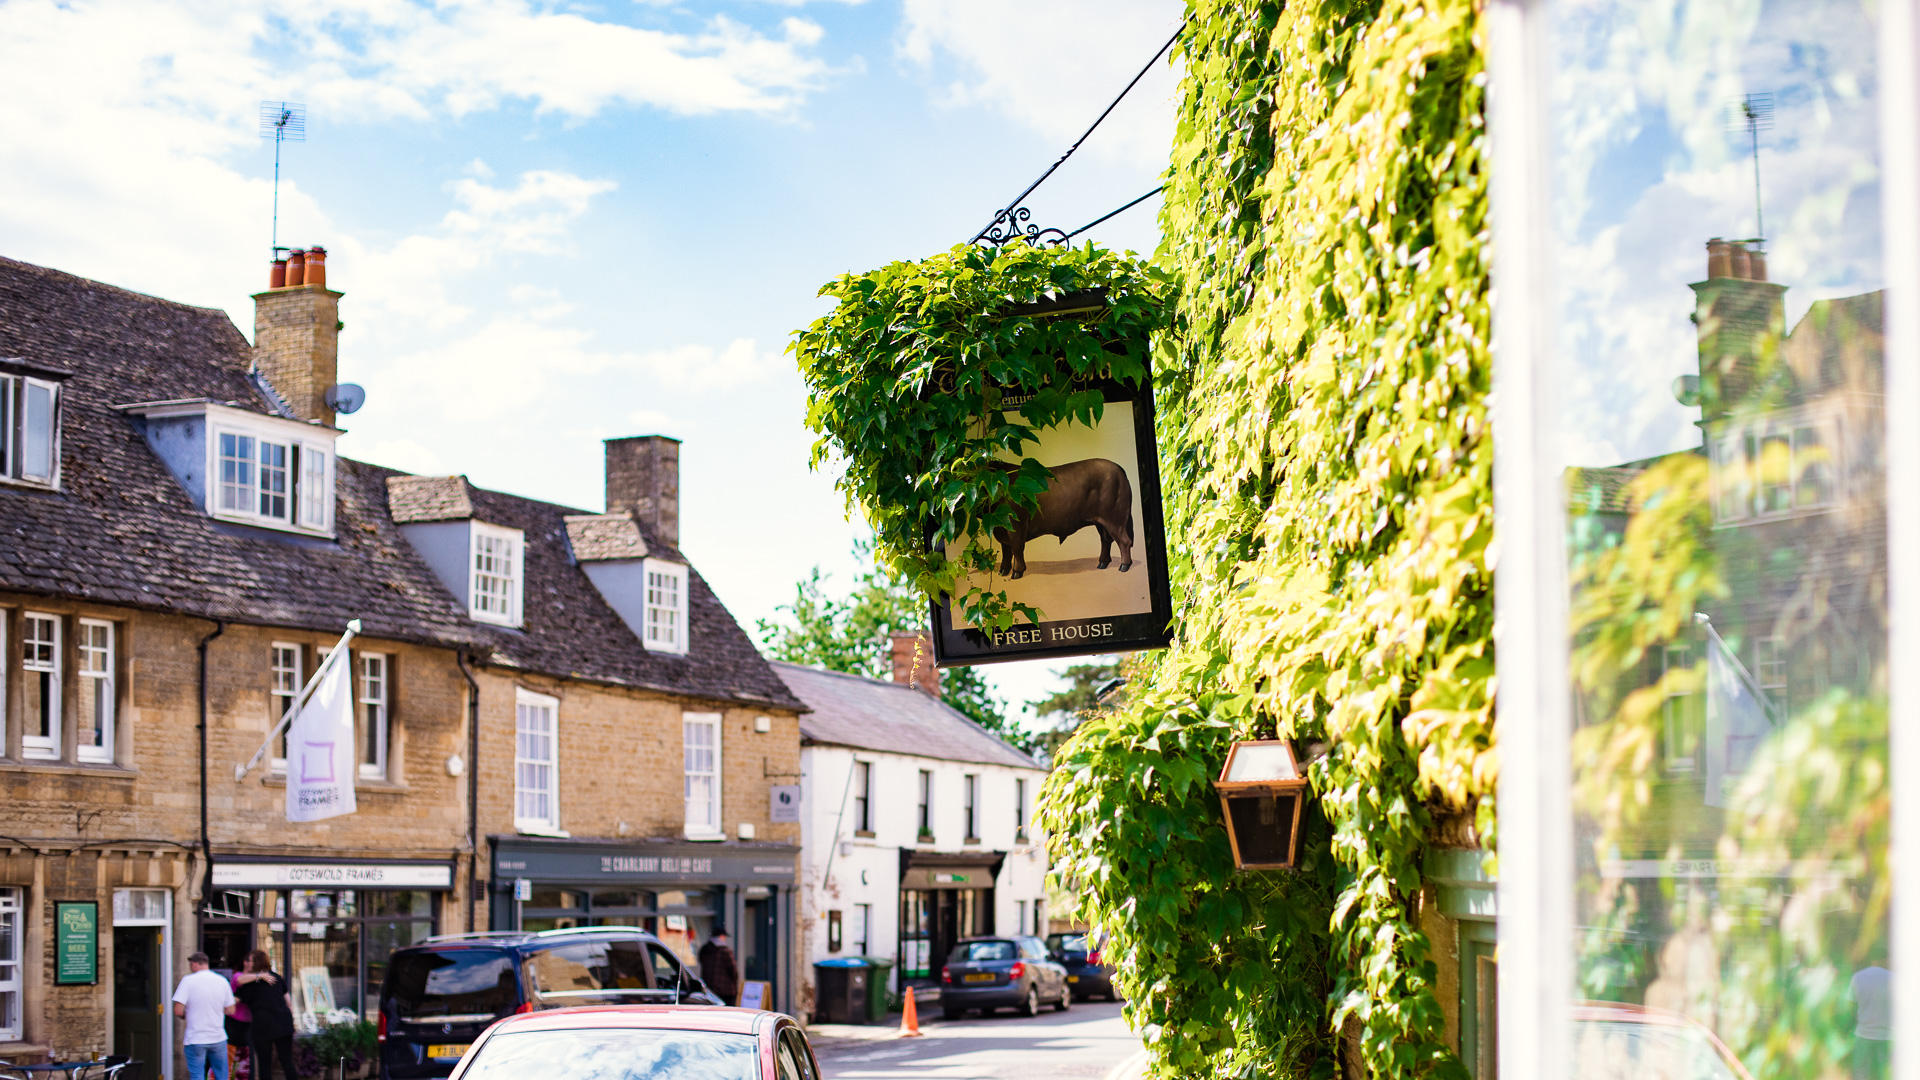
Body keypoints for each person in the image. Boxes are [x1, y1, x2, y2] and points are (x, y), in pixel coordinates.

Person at [234, 950, 300, 1080]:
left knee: (264, 1063)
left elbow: (234, 1001)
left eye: (250, 960)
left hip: (263, 1025)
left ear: (257, 962)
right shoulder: (276, 977)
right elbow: (288, 1002)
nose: (246, 963)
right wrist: (292, 1023)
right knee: (287, 1061)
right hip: (283, 1022)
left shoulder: (250, 983)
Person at [173, 951, 237, 1080]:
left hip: (195, 1037)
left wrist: (188, 1014)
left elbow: (178, 1010)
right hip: (218, 1037)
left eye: (191, 964)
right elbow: (231, 1010)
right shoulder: (222, 980)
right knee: (222, 1075)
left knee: (197, 1075)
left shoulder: (188, 980)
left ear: (194, 964)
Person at [698, 929, 740, 1006]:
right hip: (726, 990)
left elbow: (701, 961)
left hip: (709, 988)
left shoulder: (704, 949)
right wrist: (735, 985)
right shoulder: (725, 951)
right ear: (721, 936)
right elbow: (733, 970)